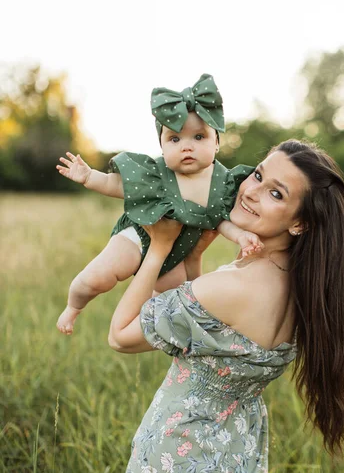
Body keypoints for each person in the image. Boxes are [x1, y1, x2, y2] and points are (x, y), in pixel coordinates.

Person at [108, 139, 344, 473]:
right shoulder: (310, 292)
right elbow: (210, 332)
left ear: (300, 223)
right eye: (258, 175)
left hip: (175, 462)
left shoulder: (234, 288)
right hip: (236, 464)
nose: (251, 190)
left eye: (276, 193)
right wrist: (198, 255)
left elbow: (121, 335)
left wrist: (160, 248)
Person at [55, 74, 262, 335]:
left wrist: (242, 236)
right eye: (175, 139)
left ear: (217, 142)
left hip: (176, 253)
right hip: (138, 237)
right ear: (162, 147)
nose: (187, 147)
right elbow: (117, 185)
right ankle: (74, 305)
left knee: (173, 297)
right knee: (97, 277)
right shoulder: (157, 173)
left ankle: (153, 323)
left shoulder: (223, 184)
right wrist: (88, 177)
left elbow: (223, 222)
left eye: (199, 137)